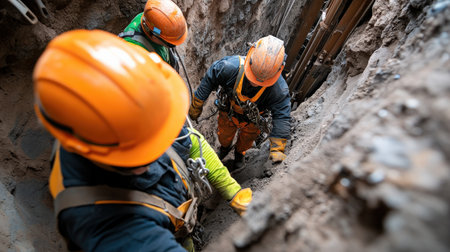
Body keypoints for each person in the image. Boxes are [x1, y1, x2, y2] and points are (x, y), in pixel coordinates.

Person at [33, 29, 252, 251]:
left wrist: (232, 191)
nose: (160, 143)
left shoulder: (138, 108)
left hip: (176, 214)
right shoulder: (110, 228)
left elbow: (192, 142)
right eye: (149, 144)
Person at [189, 35, 291, 168]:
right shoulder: (230, 67)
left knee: (246, 142)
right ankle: (224, 149)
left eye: (259, 82)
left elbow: (282, 115)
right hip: (229, 111)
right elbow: (211, 77)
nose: (255, 84)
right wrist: (198, 102)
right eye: (252, 78)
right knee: (224, 135)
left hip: (253, 121)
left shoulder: (279, 90)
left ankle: (239, 155)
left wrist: (278, 147)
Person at [118, 0, 187, 71]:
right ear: (154, 36)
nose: (172, 44)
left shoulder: (150, 18)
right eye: (170, 44)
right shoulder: (135, 53)